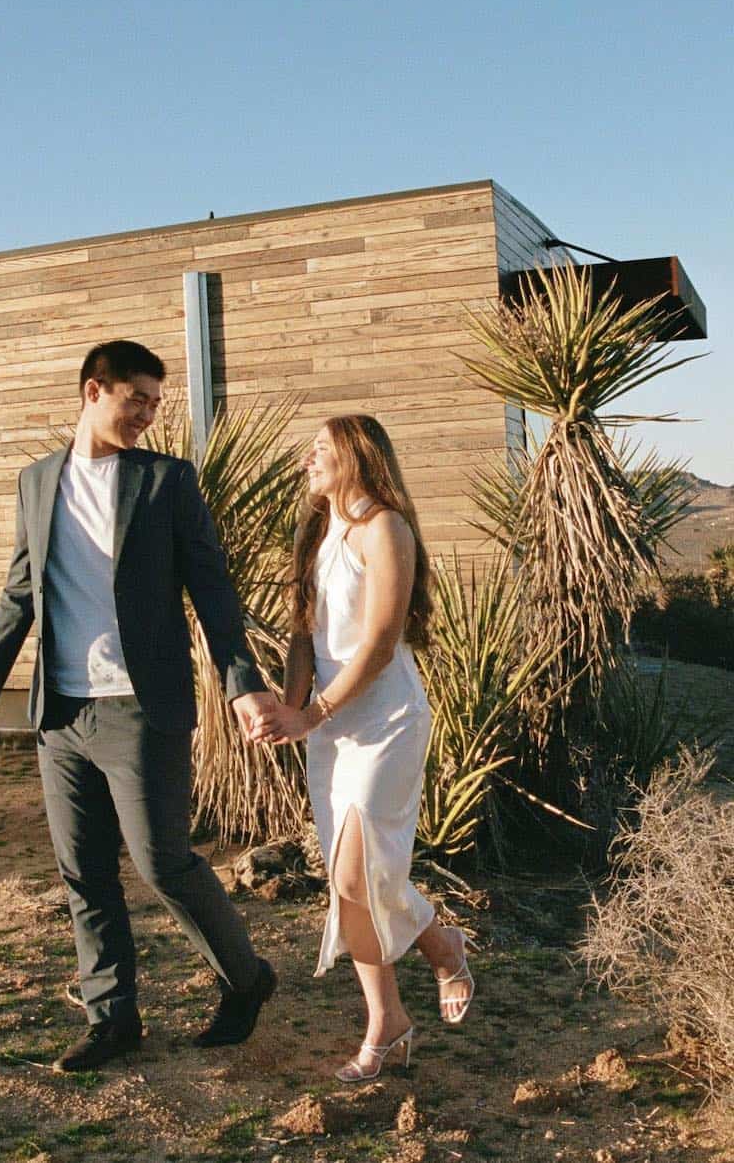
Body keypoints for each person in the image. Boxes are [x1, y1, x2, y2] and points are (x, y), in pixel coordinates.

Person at [0, 339, 277, 1072]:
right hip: (61, 711)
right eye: (138, 400)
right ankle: (113, 1018)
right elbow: (19, 591)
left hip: (139, 705)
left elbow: (212, 589)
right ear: (95, 389)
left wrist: (241, 679)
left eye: (157, 404)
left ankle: (246, 978)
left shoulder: (165, 481)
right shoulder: (37, 482)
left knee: (162, 863)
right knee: (84, 872)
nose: (148, 417)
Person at [250, 415, 474, 1081]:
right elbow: (302, 637)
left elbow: (379, 643)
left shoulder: (385, 528)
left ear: (356, 455)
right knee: (357, 884)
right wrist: (290, 711)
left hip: (387, 721)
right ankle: (404, 1007)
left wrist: (311, 713)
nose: (308, 461)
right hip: (331, 730)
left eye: (320, 450)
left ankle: (424, 969)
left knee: (356, 877)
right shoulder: (319, 534)